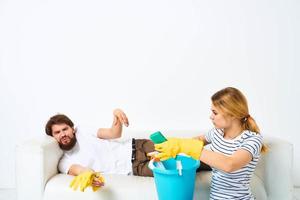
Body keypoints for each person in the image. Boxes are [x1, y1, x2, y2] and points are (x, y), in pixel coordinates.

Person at [45, 109, 211, 191]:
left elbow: (113, 133)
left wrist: (116, 114)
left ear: (72, 129)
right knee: (177, 166)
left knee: (182, 149)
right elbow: (81, 170)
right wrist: (89, 175)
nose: (63, 134)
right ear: (53, 137)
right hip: (134, 168)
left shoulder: (82, 130)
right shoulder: (64, 162)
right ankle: (218, 164)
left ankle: (221, 159)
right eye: (57, 133)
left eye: (65, 129)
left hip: (138, 146)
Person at [155, 87, 267, 200]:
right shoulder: (217, 132)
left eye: (215, 113)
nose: (211, 116)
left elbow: (230, 165)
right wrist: (174, 147)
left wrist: (188, 147)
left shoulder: (252, 140)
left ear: (233, 114)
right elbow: (198, 140)